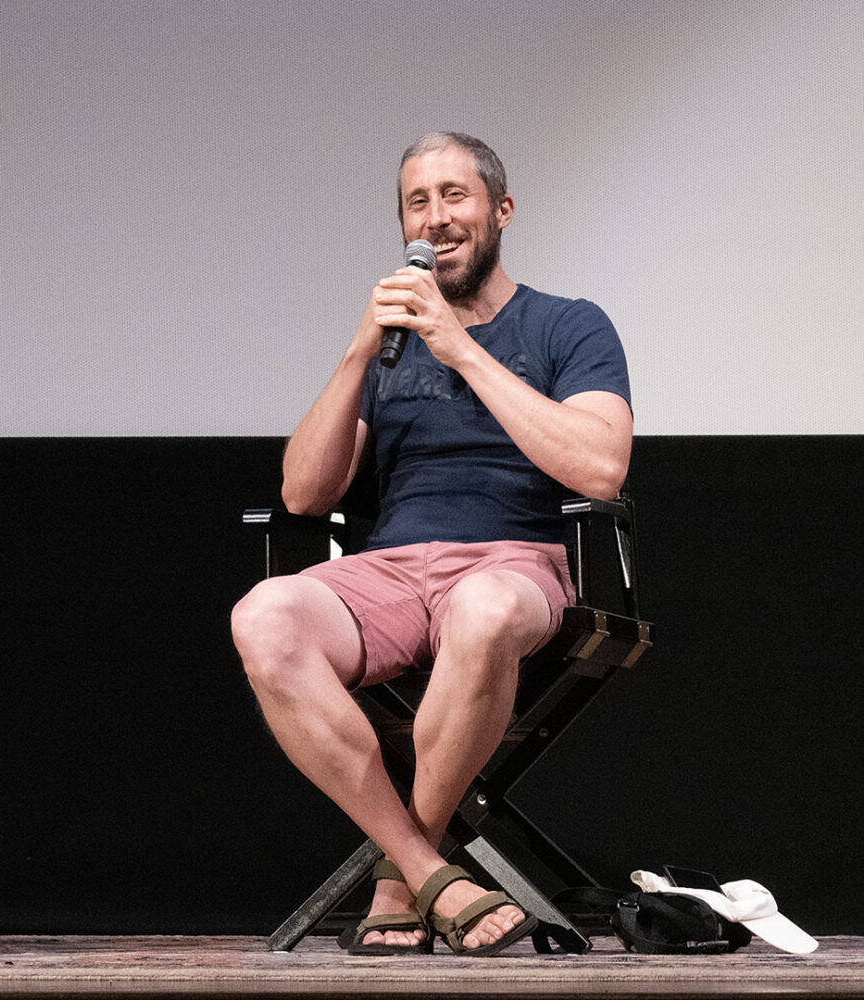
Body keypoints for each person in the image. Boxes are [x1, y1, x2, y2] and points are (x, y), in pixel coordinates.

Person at [230, 133, 632, 957]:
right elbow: (305, 494)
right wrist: (354, 354)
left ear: (501, 211)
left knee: (483, 609)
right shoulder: (390, 344)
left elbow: (599, 465)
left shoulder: (569, 324)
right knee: (264, 615)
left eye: (455, 196)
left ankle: (391, 882)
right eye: (418, 201)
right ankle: (422, 865)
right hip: (392, 569)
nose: (436, 218)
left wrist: (460, 346)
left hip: (515, 563)